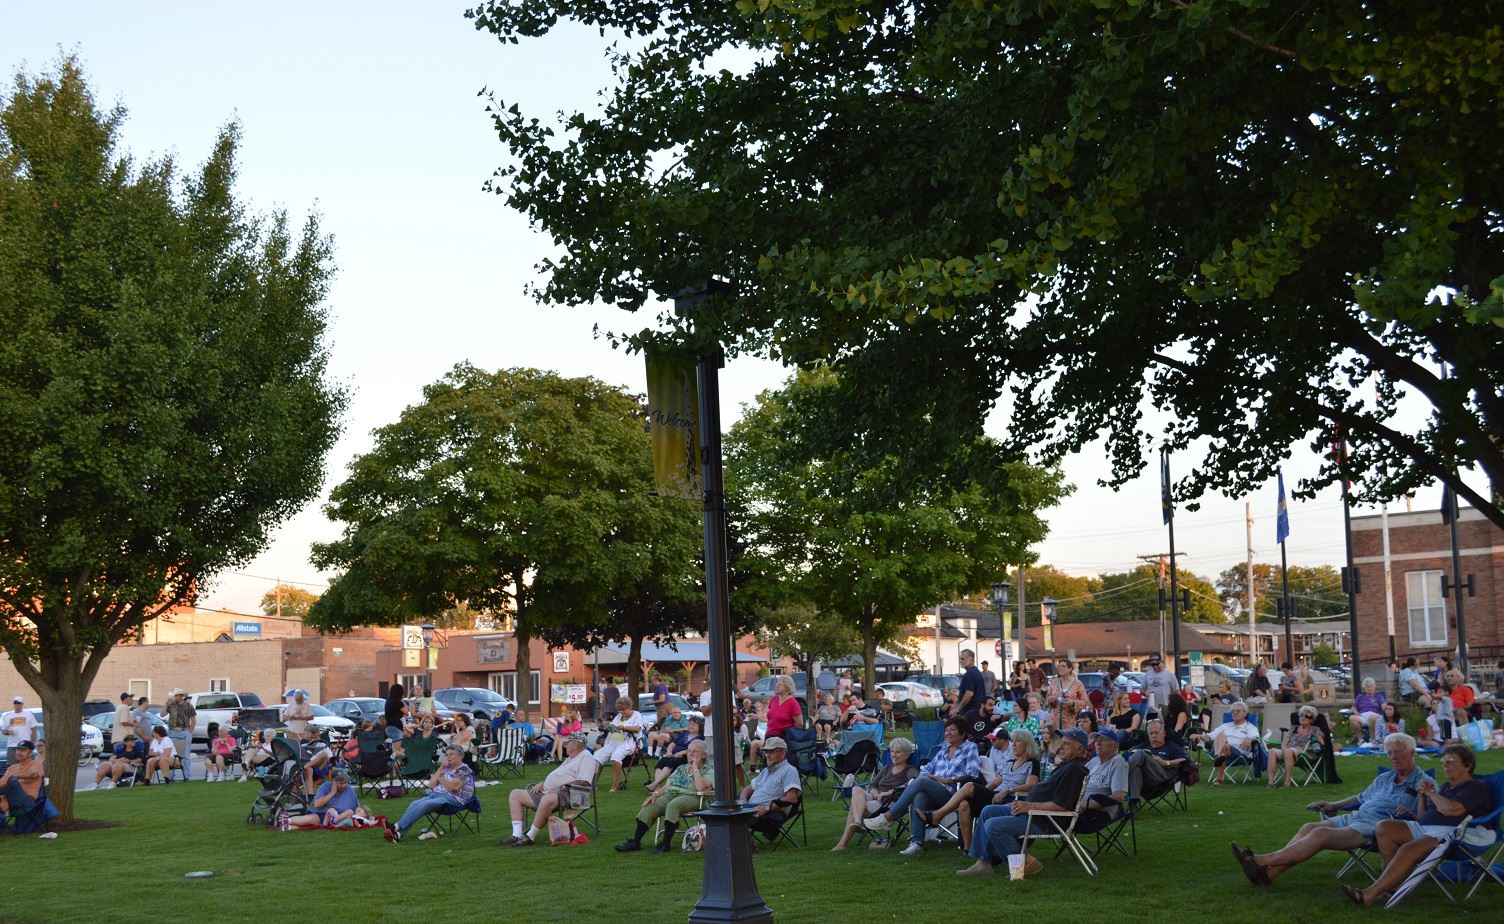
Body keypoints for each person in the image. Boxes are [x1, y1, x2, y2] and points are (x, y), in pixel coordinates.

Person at [1232, 732, 1424, 886]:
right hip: (1355, 817)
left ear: (1412, 753)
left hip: (1376, 826)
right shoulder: (1385, 778)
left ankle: (1261, 860)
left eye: (1398, 752)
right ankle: (1269, 875)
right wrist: (1334, 805)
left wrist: (1410, 814)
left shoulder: (1424, 783)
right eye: (1389, 753)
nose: (1393, 757)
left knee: (1321, 834)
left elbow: (1428, 820)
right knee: (1309, 827)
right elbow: (1360, 798)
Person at [1342, 744, 1495, 906]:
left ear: (1468, 765)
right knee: (1385, 827)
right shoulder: (1446, 787)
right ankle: (1396, 886)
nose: (1445, 764)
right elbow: (1423, 818)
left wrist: (1431, 793)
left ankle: (1368, 895)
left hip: (1460, 833)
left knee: (1408, 849)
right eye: (1443, 760)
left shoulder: (1475, 787)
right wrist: (1422, 796)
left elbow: (1451, 810)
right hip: (1429, 828)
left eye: (1450, 760)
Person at [956, 727, 1091, 877]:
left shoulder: (1074, 770)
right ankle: (983, 864)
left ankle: (1024, 864)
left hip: (1046, 820)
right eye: (1061, 743)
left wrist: (1029, 805)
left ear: (1079, 747)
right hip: (1035, 812)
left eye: (1066, 743)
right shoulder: (1067, 766)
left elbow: (1061, 806)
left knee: (993, 825)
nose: (1060, 747)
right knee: (989, 810)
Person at [861, 717, 979, 857]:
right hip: (935, 793)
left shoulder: (970, 748)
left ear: (962, 733)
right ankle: (917, 844)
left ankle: (888, 817)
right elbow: (926, 769)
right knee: (919, 795)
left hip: (954, 794)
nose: (948, 733)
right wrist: (933, 778)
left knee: (921, 782)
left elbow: (973, 774)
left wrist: (947, 780)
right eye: (946, 730)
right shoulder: (943, 750)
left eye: (952, 730)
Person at [913, 729, 1041, 854]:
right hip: (996, 796)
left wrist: (1009, 790)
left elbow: (1031, 785)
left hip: (1012, 800)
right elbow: (996, 782)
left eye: (1018, 741)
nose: (1013, 744)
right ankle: (968, 849)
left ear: (1027, 744)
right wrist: (982, 792)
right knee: (963, 804)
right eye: (1013, 741)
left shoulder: (1032, 763)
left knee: (970, 785)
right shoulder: (1009, 762)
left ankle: (937, 815)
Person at [615, 739, 714, 852]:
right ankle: (635, 842)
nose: (690, 753)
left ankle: (665, 844)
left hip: (695, 798)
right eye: (689, 751)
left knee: (673, 805)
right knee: (651, 804)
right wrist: (656, 794)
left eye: (695, 751)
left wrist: (695, 768)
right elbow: (668, 785)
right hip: (672, 795)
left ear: (703, 755)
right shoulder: (681, 768)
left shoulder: (708, 771)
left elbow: (701, 788)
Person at [502, 733, 598, 846]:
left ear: (576, 744)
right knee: (515, 794)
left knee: (547, 799)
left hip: (572, 795)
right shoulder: (571, 758)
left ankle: (529, 837)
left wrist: (561, 787)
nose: (564, 745)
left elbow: (584, 781)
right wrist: (544, 783)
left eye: (567, 743)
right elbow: (559, 775)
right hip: (548, 792)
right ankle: (517, 835)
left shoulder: (586, 757)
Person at [832, 737, 920, 850]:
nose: (893, 754)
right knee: (856, 790)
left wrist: (889, 792)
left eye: (898, 752)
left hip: (889, 802)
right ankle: (858, 822)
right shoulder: (887, 768)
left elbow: (912, 782)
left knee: (853, 810)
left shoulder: (910, 769)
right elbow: (873, 784)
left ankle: (842, 844)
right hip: (875, 797)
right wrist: (874, 792)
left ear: (907, 754)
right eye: (892, 751)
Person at [384, 744, 475, 843]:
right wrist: (441, 768)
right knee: (414, 803)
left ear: (461, 756)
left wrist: (440, 778)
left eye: (451, 754)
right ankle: (398, 834)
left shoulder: (463, 770)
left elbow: (452, 788)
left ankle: (396, 826)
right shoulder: (446, 767)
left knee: (426, 804)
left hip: (455, 799)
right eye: (447, 755)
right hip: (437, 794)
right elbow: (431, 785)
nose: (448, 757)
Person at [740, 736, 802, 841]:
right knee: (724, 810)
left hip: (768, 813)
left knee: (732, 817)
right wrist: (742, 801)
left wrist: (767, 808)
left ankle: (746, 845)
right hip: (751, 808)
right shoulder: (766, 771)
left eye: (772, 751)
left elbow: (792, 798)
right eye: (766, 752)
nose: (767, 755)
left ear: (783, 752)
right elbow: (747, 789)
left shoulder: (789, 770)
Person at [1196, 702, 1265, 784]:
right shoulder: (1225, 726)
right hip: (1222, 750)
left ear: (1245, 714)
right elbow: (1210, 737)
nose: (1235, 713)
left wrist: (1250, 740)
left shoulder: (1250, 728)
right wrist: (1198, 736)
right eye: (1233, 711)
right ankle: (1218, 757)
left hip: (1239, 754)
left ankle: (1218, 770)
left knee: (1224, 744)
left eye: (1238, 711)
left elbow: (1255, 739)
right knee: (1221, 737)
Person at [1266, 705, 1325, 788]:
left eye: (1307, 716)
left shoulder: (1315, 729)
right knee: (1272, 751)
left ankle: (1287, 783)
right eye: (1301, 715)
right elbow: (1284, 742)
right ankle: (1271, 783)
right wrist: (1284, 748)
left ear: (1312, 719)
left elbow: (1322, 745)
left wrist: (1307, 748)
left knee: (1289, 751)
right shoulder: (1293, 728)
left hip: (1305, 753)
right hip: (1289, 750)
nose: (1303, 718)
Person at [594, 695, 645, 791]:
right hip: (614, 741)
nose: (621, 712)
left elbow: (638, 729)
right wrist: (606, 726)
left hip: (628, 742)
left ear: (630, 707)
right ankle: (593, 783)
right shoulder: (619, 716)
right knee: (597, 756)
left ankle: (615, 784)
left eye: (623, 709)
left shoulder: (636, 714)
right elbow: (613, 728)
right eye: (620, 710)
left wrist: (623, 727)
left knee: (615, 757)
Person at [1126, 719, 1187, 798]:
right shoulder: (1144, 745)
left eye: (1156, 732)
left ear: (1164, 733)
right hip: (1143, 780)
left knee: (1140, 753)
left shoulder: (1171, 746)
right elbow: (1128, 756)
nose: (1154, 735)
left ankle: (1120, 775)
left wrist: (1165, 762)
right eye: (1151, 733)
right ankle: (1134, 801)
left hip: (1162, 778)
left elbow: (1184, 760)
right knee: (1135, 769)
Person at [284, 769, 363, 830]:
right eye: (340, 783)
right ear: (333, 781)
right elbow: (317, 804)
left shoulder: (349, 789)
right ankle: (287, 821)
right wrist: (332, 793)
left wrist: (360, 812)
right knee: (314, 819)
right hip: (321, 814)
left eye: (345, 782)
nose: (343, 785)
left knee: (311, 825)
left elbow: (357, 806)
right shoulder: (325, 787)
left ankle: (287, 826)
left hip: (339, 818)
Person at [749, 675, 802, 766]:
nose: (777, 685)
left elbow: (799, 724)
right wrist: (757, 716)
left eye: (780, 684)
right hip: (769, 735)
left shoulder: (793, 703)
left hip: (782, 738)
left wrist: (789, 735)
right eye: (777, 683)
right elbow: (770, 716)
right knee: (768, 764)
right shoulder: (774, 699)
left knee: (779, 765)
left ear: (787, 688)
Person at [0, 740, 45, 819]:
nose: (18, 752)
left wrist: (11, 775)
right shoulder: (12, 767)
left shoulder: (37, 764)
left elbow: (33, 774)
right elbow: (2, 783)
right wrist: (2, 798)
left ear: (30, 753)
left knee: (13, 782)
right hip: (10, 801)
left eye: (23, 750)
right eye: (18, 749)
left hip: (26, 803)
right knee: (9, 781)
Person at [1046, 660, 1089, 727]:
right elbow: (1047, 698)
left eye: (1063, 666)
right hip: (1054, 720)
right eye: (1059, 666)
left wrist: (1073, 703)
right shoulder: (1054, 682)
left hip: (1070, 720)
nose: (1060, 668)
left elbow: (1085, 701)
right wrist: (1051, 700)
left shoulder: (1078, 683)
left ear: (1070, 668)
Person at [162, 689, 196, 763]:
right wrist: (166, 703)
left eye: (176, 695)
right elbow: (162, 714)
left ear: (181, 696)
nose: (175, 697)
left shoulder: (188, 705)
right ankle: (171, 774)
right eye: (174, 695)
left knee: (186, 755)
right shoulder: (171, 705)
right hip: (172, 731)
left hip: (184, 731)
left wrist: (190, 732)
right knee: (171, 754)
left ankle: (187, 774)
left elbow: (193, 720)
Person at [2, 696, 38, 766]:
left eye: (18, 703)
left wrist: (31, 743)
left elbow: (34, 729)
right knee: (12, 767)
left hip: (25, 745)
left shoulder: (28, 715)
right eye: (15, 703)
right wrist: (8, 732)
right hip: (12, 746)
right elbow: (3, 731)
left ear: (22, 704)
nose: (16, 704)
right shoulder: (8, 716)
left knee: (27, 767)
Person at [1350, 678, 1387, 743]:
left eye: (1371, 686)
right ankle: (1361, 740)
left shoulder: (1379, 696)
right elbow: (1353, 707)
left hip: (1376, 716)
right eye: (1368, 687)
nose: (1370, 688)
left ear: (1374, 687)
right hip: (1363, 716)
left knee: (1372, 717)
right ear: (1364, 688)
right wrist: (1355, 712)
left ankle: (1372, 740)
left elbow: (1384, 706)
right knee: (1352, 718)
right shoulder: (1360, 697)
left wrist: (1386, 708)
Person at [956, 649, 987, 719]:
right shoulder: (977, 672)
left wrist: (958, 708)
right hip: (977, 711)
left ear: (970, 659)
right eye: (960, 659)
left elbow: (969, 694)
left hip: (970, 713)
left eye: (962, 659)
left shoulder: (969, 674)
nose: (960, 661)